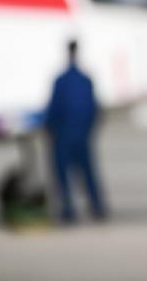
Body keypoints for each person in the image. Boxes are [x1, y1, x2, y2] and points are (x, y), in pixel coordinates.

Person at [45, 40, 107, 223]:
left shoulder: (61, 81)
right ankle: (97, 208)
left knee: (64, 175)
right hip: (81, 135)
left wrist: (50, 128)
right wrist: (88, 130)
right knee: (88, 174)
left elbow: (54, 108)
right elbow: (94, 109)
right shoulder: (85, 80)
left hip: (65, 134)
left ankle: (69, 210)